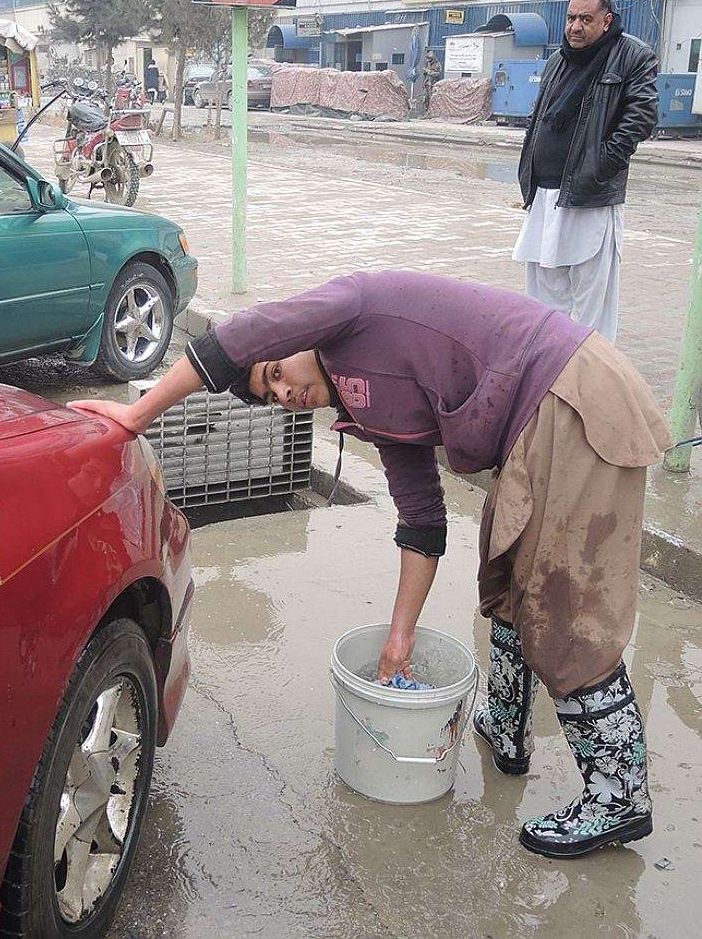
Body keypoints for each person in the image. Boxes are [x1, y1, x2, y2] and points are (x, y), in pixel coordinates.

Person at [70, 270, 670, 858]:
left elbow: (238, 339)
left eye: (277, 371)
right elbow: (422, 523)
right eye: (270, 394)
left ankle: (620, 797)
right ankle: (505, 728)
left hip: (569, 395)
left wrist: (136, 415)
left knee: (566, 612)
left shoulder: (352, 305)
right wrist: (398, 638)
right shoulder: (373, 412)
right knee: (508, 576)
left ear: (297, 340)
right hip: (533, 426)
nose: (283, 392)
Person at [514, 0, 657, 344]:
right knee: (544, 306)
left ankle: (595, 383)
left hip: (590, 196)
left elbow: (641, 118)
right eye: (571, 17)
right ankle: (550, 373)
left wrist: (600, 164)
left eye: (586, 19)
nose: (575, 26)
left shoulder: (632, 56)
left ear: (606, 21)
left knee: (594, 308)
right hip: (544, 196)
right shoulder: (557, 60)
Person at [421, 49, 441, 113]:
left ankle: (432, 112)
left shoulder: (437, 64)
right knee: (426, 99)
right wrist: (425, 71)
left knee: (432, 98)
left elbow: (438, 73)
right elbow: (425, 74)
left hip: (433, 84)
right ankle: (426, 112)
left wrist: (430, 72)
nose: (428, 60)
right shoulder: (427, 64)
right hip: (427, 84)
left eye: (429, 59)